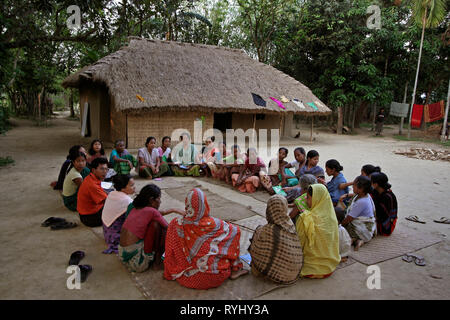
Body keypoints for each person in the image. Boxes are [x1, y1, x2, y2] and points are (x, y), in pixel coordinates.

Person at [164, 188, 248, 289]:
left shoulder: (176, 223)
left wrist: (170, 270)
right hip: (215, 277)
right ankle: (235, 269)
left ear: (187, 204)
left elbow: (170, 251)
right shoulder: (216, 224)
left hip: (186, 277)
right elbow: (236, 231)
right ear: (205, 205)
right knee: (230, 240)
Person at [119, 184, 182, 272]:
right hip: (138, 262)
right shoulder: (151, 211)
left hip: (123, 254)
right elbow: (169, 229)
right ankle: (158, 262)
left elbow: (159, 213)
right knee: (157, 226)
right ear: (152, 200)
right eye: (159, 199)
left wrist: (174, 210)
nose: (160, 202)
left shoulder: (133, 206)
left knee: (152, 223)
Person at [249, 195, 303, 284]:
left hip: (275, 277)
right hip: (293, 273)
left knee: (257, 234)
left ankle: (264, 271)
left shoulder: (266, 230)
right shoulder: (291, 225)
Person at [296, 184, 340, 278]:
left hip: (310, 270)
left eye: (308, 198)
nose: (305, 200)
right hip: (330, 268)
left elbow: (298, 244)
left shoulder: (306, 218)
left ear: (316, 199)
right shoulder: (332, 218)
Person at [340, 176, 377, 250]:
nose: (352, 186)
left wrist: (339, 225)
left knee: (340, 231)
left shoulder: (362, 202)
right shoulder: (362, 195)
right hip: (362, 226)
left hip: (362, 229)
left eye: (354, 185)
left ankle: (356, 238)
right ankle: (357, 240)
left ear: (361, 189)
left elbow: (348, 220)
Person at [101, 174, 135, 254]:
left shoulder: (112, 193)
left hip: (107, 233)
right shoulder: (126, 200)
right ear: (123, 188)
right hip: (115, 238)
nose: (134, 187)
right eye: (131, 185)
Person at [77, 157, 109, 227]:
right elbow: (107, 201)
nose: (105, 172)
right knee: (118, 212)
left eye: (106, 169)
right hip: (90, 218)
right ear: (94, 170)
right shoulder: (92, 185)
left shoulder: (90, 177)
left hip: (85, 214)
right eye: (102, 169)